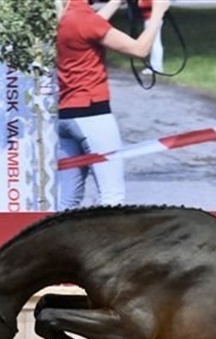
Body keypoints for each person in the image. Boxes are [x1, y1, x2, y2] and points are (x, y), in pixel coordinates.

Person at [56, 0, 170, 208]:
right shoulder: (85, 20)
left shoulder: (65, 16)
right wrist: (157, 15)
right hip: (93, 114)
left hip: (65, 114)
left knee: (67, 199)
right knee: (112, 196)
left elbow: (90, 26)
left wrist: (116, 2)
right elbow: (140, 49)